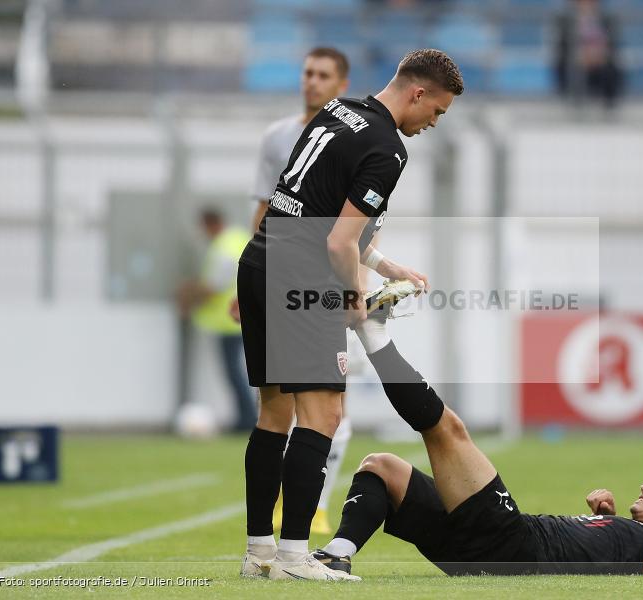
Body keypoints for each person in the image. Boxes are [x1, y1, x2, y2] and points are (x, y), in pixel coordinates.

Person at [236, 49, 464, 582]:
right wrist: (352, 296)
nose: (433, 124)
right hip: (302, 272)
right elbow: (339, 241)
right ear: (418, 93)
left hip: (261, 259)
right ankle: (295, 557)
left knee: (274, 413)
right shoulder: (389, 149)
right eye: (438, 112)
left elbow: (310, 207)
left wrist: (383, 262)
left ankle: (260, 554)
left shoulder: (339, 111)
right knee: (324, 416)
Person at [312, 302, 643, 576]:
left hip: (509, 543)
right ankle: (338, 556)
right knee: (382, 467)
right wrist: (607, 517)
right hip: (482, 550)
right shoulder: (633, 535)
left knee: (446, 431)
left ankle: (373, 335)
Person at [248, 46, 354, 537]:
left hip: (325, 279)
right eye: (307, 73)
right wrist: (248, 275)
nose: (311, 81)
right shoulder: (278, 137)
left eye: (322, 75)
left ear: (341, 84)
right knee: (278, 407)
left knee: (332, 405)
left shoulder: (349, 139)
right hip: (277, 272)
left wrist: (359, 284)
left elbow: (356, 226)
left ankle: (316, 504)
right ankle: (274, 534)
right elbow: (266, 208)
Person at [175, 209, 254, 431]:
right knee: (238, 372)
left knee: (234, 373)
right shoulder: (238, 238)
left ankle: (246, 420)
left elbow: (214, 286)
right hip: (243, 317)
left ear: (210, 224)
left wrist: (188, 294)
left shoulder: (224, 247)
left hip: (230, 321)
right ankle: (245, 418)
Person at [556, 0, 624, 108]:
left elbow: (613, 46)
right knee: (573, 68)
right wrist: (579, 56)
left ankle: (609, 107)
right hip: (576, 60)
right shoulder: (565, 20)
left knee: (612, 68)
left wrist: (601, 56)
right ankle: (576, 105)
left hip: (601, 60)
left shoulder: (607, 19)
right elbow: (562, 47)